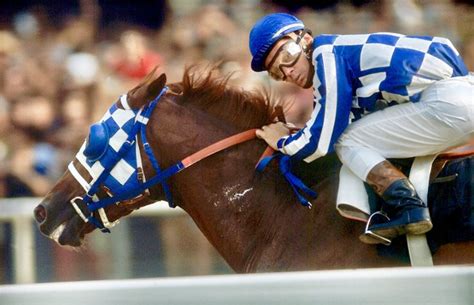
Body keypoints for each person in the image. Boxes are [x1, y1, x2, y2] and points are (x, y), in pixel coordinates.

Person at [248, 13, 473, 244]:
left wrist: (282, 142)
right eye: (276, 72)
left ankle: (407, 207)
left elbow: (324, 141)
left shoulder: (326, 54)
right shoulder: (339, 56)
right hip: (457, 97)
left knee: (347, 141)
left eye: (287, 56)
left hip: (448, 103)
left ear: (304, 39)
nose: (288, 72)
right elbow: (333, 124)